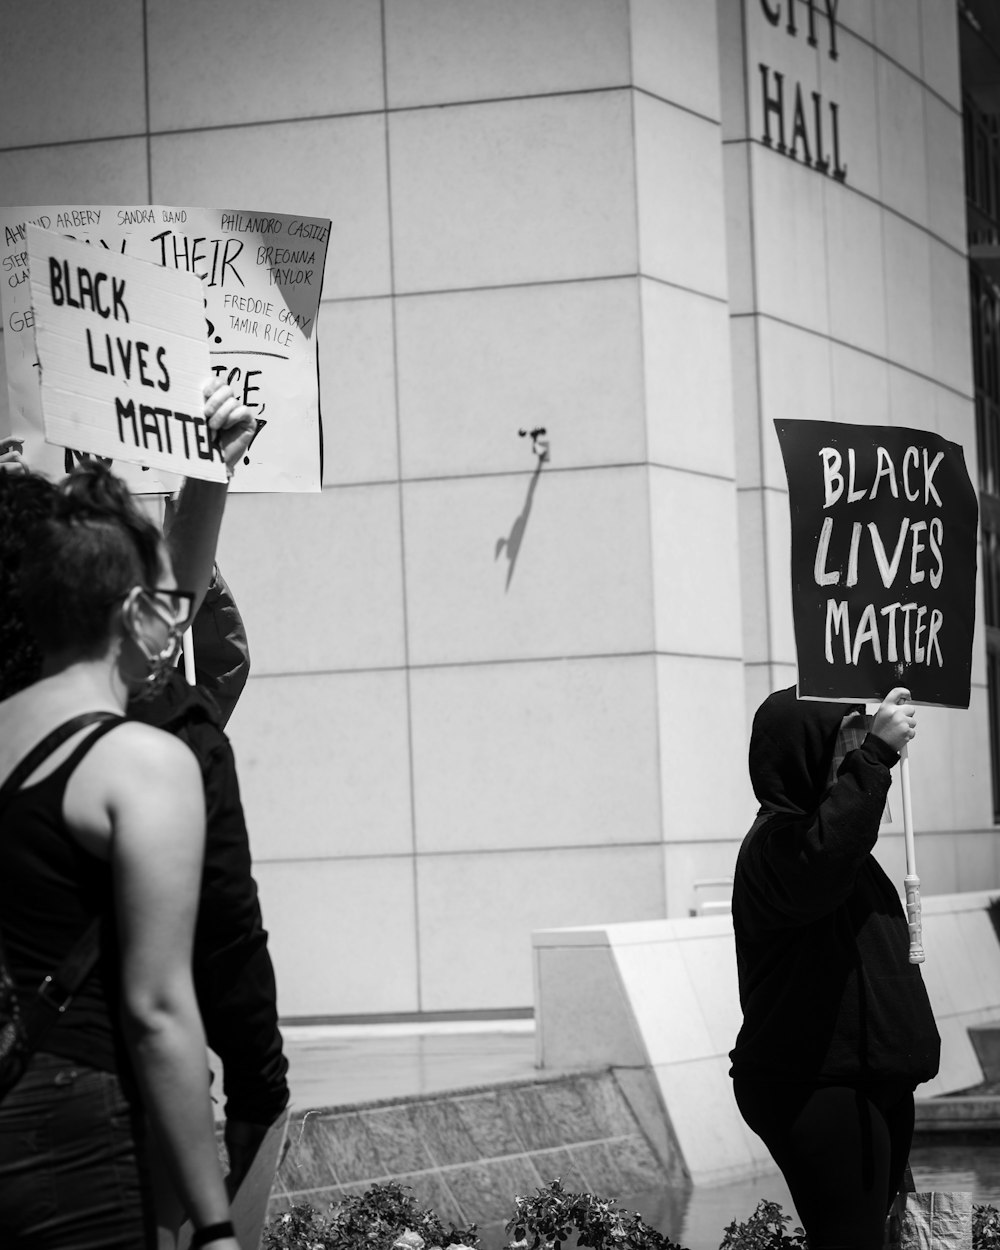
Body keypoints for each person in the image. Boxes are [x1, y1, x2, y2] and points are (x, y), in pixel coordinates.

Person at [0, 463, 240, 1249]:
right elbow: (156, 1010)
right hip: (75, 1123)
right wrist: (214, 1223)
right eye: (172, 606)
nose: (177, 627)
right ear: (134, 611)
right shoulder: (141, 763)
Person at [729, 685, 941, 1250]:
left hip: (870, 1080)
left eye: (860, 745)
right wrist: (875, 759)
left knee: (885, 1236)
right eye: (846, 746)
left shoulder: (844, 851)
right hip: (813, 1082)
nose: (857, 758)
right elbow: (821, 863)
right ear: (801, 756)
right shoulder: (777, 845)